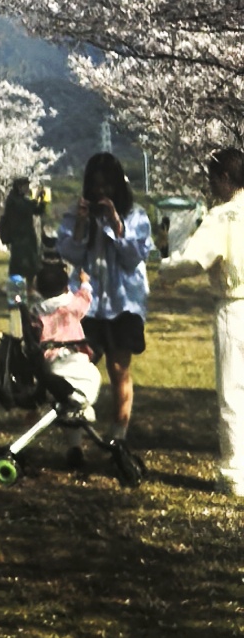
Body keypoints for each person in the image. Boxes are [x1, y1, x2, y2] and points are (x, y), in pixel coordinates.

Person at [158, 147, 244, 495]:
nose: (211, 187)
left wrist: (166, 270)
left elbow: (195, 259)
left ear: (224, 178)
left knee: (233, 391)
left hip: (234, 306)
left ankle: (236, 472)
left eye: (212, 180)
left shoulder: (223, 217)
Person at [59, 155, 152, 448]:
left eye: (107, 186)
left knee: (119, 369)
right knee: (76, 368)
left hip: (124, 304)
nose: (101, 192)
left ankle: (118, 436)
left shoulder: (136, 216)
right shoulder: (76, 214)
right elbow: (70, 254)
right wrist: (81, 224)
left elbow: (134, 258)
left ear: (118, 186)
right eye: (96, 186)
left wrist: (115, 223)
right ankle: (75, 440)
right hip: (86, 303)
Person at [2, 177, 43, 291]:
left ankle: (30, 288)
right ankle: (15, 289)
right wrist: (36, 198)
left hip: (27, 236)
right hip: (18, 237)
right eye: (26, 186)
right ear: (19, 187)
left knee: (31, 263)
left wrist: (42, 201)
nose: (28, 189)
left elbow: (36, 210)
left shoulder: (22, 200)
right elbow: (25, 208)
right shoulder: (13, 200)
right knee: (18, 264)